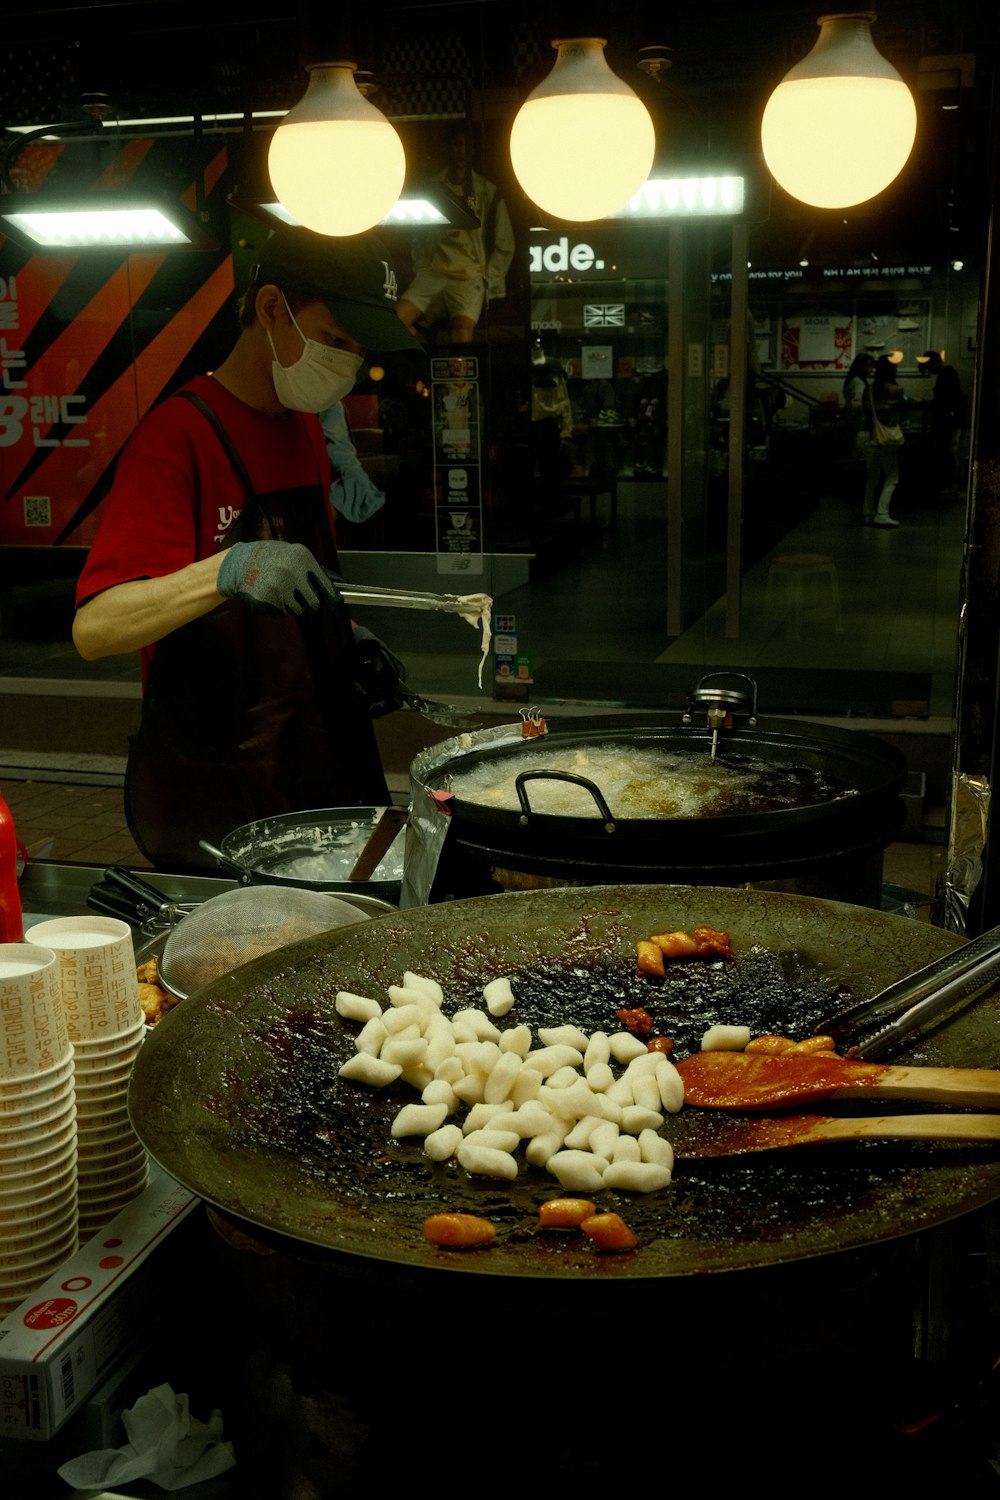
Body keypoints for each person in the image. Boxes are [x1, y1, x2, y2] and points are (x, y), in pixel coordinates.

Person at [72, 225, 420, 872]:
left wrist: (348, 635)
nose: (347, 362)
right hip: (216, 797)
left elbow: (297, 593)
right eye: (335, 339)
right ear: (270, 309)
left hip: (318, 774)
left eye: (356, 347)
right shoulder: (175, 438)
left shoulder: (306, 432)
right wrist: (227, 569)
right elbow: (96, 627)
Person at [396, 126, 515, 343]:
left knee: (461, 332)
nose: (460, 151)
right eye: (456, 144)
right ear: (448, 149)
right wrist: (422, 268)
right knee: (398, 320)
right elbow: (418, 235)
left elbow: (505, 243)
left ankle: (459, 377)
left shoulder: (487, 191)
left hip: (468, 274)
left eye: (465, 146)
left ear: (473, 151)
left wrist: (488, 279)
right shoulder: (432, 187)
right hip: (434, 271)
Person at [862, 354, 905, 527]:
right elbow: (897, 412)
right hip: (887, 438)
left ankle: (867, 512)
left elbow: (865, 411)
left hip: (872, 436)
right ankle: (882, 513)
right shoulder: (895, 389)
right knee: (892, 476)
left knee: (872, 476)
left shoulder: (869, 389)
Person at [916, 348, 965, 492]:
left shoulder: (946, 375)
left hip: (949, 420)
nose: (930, 372)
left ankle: (952, 482)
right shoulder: (948, 373)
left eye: (930, 368)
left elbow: (944, 400)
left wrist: (927, 404)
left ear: (935, 363)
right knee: (952, 450)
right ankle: (953, 481)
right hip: (953, 418)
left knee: (951, 450)